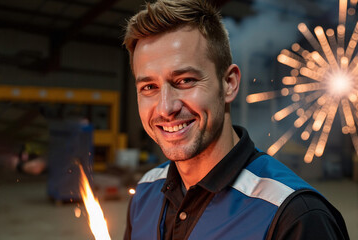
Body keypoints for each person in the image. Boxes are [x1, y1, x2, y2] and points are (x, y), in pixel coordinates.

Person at [122, 0, 350, 239]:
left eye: (185, 80)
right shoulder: (146, 191)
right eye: (149, 87)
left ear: (229, 83)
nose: (166, 107)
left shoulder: (293, 215)